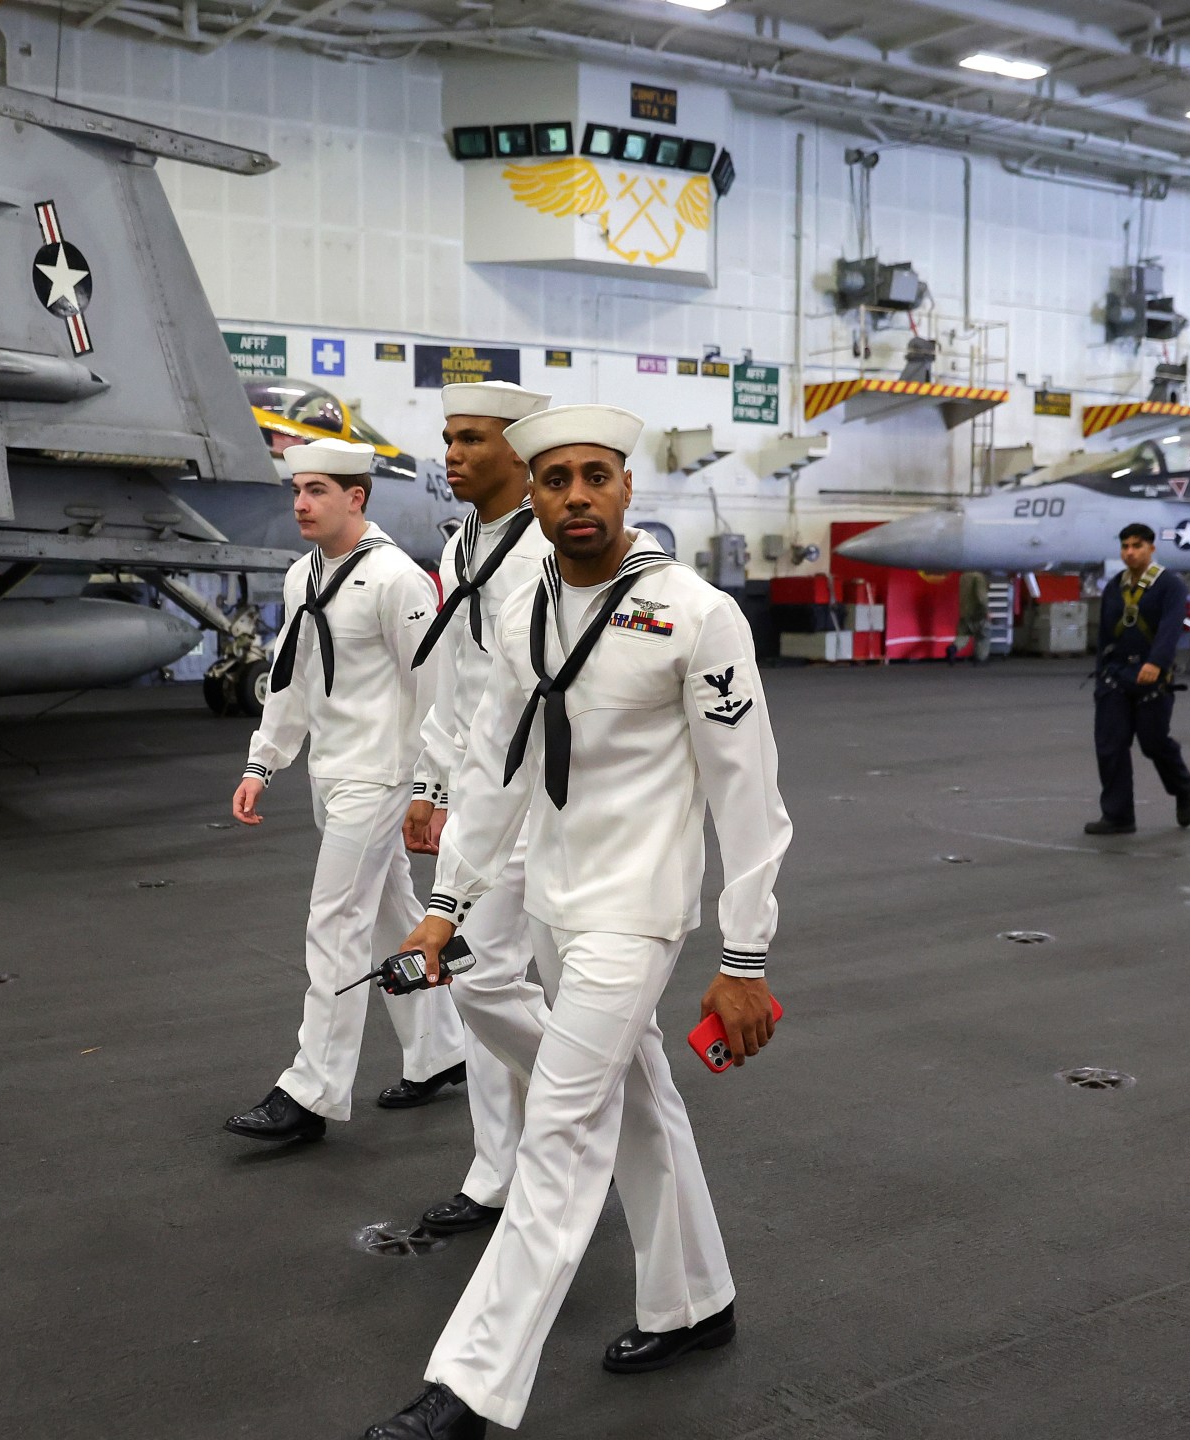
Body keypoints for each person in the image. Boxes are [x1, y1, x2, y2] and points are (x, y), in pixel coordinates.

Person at [360, 405, 793, 1440]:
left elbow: (750, 799)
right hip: (554, 904)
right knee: (642, 1101)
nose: (576, 497)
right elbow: (493, 779)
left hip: (634, 917)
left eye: (595, 476)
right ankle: (695, 1302)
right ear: (538, 493)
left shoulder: (695, 615)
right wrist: (443, 911)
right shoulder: (525, 616)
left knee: (559, 1132)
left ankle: (466, 1388)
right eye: (555, 481)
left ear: (626, 488)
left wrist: (744, 955)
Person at [225, 437, 469, 1143]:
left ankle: (312, 1091)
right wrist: (262, 761)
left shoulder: (397, 580)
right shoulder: (303, 575)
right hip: (329, 772)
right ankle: (440, 1051)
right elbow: (289, 676)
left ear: (356, 497)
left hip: (382, 775)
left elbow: (436, 694)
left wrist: (433, 789)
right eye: (296, 490)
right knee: (395, 914)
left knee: (335, 923)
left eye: (317, 490)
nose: (300, 502)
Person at [401, 380, 560, 1239]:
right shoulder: (466, 540)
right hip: (478, 795)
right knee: (478, 979)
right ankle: (503, 1168)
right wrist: (433, 787)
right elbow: (459, 683)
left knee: (487, 978)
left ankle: (579, 1108)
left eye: (471, 439)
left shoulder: (545, 549)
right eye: (449, 438)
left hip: (538, 801)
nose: (451, 454)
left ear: (516, 449)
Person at [1086, 522, 1190, 835]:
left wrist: (1157, 663)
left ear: (1152, 548)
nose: (1130, 552)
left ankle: (1183, 785)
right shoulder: (1114, 586)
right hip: (1115, 676)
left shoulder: (1170, 585)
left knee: (1153, 743)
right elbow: (1106, 634)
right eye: (1125, 547)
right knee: (1110, 745)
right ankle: (1118, 816)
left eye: (1137, 546)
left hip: (1152, 678)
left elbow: (1171, 626)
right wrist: (1101, 676)